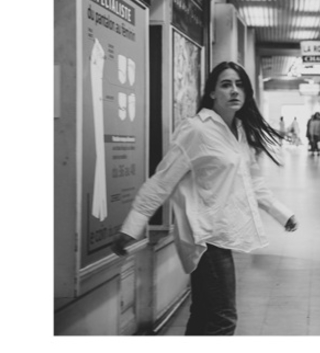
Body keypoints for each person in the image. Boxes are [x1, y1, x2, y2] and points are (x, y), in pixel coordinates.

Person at [111, 61, 298, 336]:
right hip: (205, 237)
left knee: (203, 315)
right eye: (226, 85)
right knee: (223, 320)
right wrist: (132, 227)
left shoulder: (239, 131)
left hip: (221, 233)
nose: (234, 91)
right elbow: (161, 181)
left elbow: (254, 183)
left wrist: (282, 214)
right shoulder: (196, 130)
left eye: (239, 85)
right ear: (212, 93)